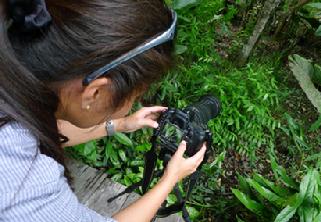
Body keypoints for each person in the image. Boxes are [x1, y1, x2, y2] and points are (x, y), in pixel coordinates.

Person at [0, 0, 207, 222]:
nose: (133, 104)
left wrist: (119, 124)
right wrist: (170, 178)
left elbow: (38, 133)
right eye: (136, 97)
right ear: (95, 93)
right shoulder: (22, 191)